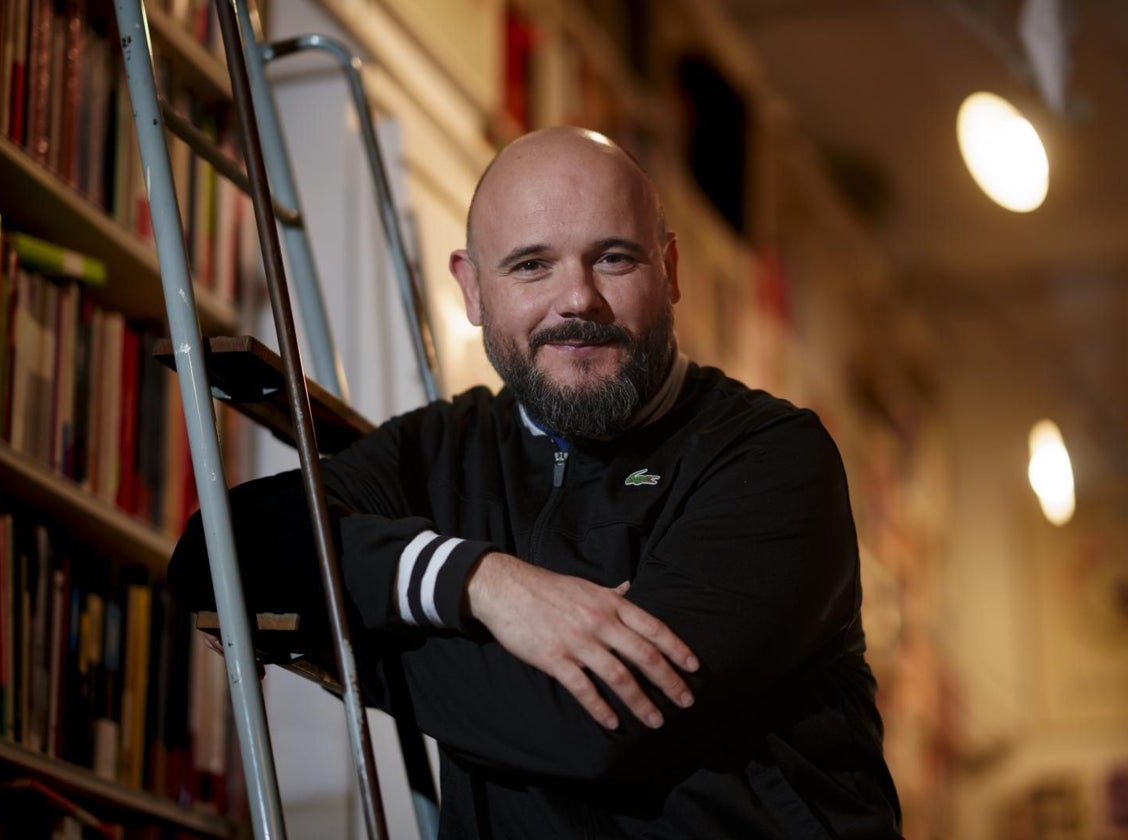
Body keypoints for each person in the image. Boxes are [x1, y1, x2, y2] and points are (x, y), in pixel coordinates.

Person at [170, 126, 903, 838]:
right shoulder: (443, 447)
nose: (577, 299)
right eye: (530, 265)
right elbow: (216, 557)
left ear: (670, 271)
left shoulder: (770, 458)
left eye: (613, 259)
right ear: (472, 288)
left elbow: (595, 723)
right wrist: (474, 582)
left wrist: (345, 626)